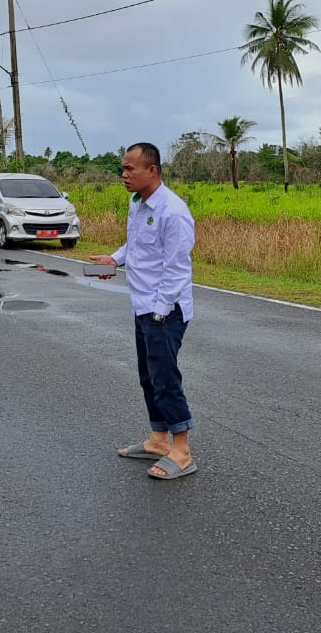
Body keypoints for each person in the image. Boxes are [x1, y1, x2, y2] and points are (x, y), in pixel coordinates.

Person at [89, 142, 198, 480]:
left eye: (130, 169)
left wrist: (160, 312)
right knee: (148, 375)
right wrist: (114, 259)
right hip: (143, 305)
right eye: (123, 168)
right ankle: (158, 439)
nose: (124, 175)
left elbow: (177, 268)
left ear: (152, 170)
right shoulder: (137, 203)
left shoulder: (173, 211)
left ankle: (181, 451)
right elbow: (135, 246)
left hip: (165, 309)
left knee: (165, 377)